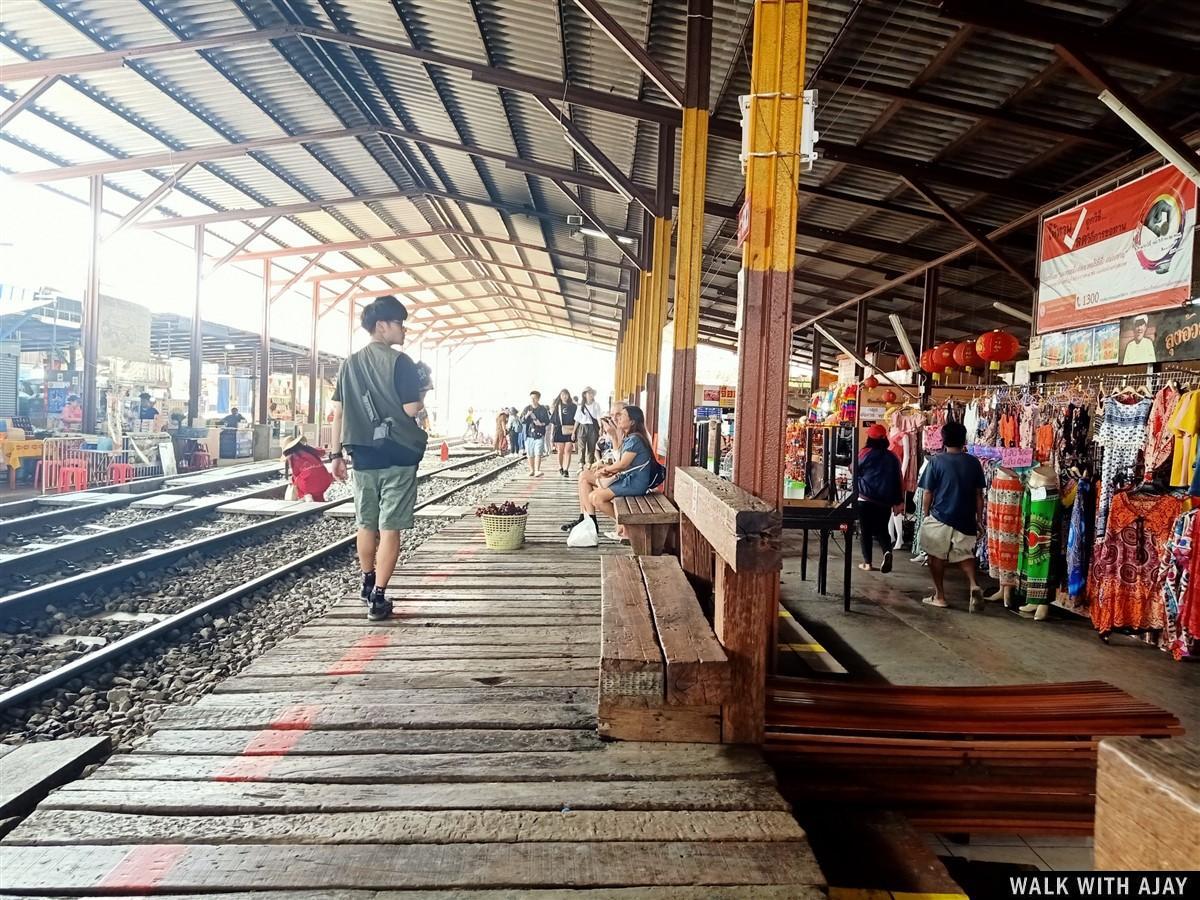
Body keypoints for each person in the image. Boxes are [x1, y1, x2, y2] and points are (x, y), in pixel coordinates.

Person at [329, 296, 430, 622]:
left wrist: (335, 455)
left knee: (365, 522)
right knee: (390, 528)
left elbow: (338, 413)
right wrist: (422, 390)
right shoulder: (401, 363)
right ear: (382, 325)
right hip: (397, 454)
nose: (404, 329)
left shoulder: (349, 364)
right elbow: (411, 410)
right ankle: (379, 597)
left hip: (363, 456)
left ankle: (367, 581)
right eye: (400, 322)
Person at [918, 420, 987, 612]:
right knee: (964, 555)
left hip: (940, 516)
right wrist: (979, 520)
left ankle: (939, 596)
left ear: (943, 439)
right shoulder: (973, 462)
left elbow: (928, 492)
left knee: (935, 557)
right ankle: (973, 584)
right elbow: (978, 495)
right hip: (965, 518)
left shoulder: (936, 461)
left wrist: (925, 515)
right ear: (964, 439)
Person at [566, 405, 655, 542]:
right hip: (628, 479)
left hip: (634, 483)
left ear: (632, 422)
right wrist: (605, 467)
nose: (618, 418)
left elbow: (622, 464)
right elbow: (621, 462)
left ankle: (625, 524)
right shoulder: (630, 437)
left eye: (622, 415)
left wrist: (605, 470)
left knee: (595, 497)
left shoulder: (635, 439)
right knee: (587, 481)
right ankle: (591, 520)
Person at [854, 423, 904, 573]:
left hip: (865, 498)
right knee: (882, 529)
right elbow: (898, 479)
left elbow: (853, 468)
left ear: (870, 438)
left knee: (866, 531)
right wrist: (898, 501)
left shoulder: (864, 453)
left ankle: (867, 563)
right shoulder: (892, 456)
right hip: (884, 501)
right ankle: (887, 551)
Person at [282, 433, 333, 501]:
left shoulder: (292, 456)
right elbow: (322, 452)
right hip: (325, 479)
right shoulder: (309, 450)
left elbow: (295, 474)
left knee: (296, 480)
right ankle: (319, 500)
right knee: (317, 491)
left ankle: (307, 496)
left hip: (308, 484)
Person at [521, 391, 551, 477]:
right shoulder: (527, 408)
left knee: (538, 452)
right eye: (531, 398)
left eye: (534, 398)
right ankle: (532, 470)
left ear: (538, 399)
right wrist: (527, 415)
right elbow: (522, 420)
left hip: (539, 433)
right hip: (529, 434)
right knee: (530, 453)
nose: (533, 400)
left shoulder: (543, 409)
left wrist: (541, 424)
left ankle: (537, 470)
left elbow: (547, 421)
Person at [550, 388, 578, 477]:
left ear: (569, 395)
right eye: (562, 395)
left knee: (568, 450)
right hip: (559, 430)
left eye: (566, 394)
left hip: (570, 430)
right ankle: (560, 467)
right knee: (560, 451)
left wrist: (574, 432)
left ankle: (566, 469)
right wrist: (551, 434)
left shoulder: (573, 406)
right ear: (560, 396)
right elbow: (553, 422)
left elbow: (577, 420)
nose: (564, 396)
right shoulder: (557, 406)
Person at [575, 387, 603, 468]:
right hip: (582, 427)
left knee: (592, 446)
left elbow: (598, 417)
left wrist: (601, 427)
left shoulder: (596, 405)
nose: (591, 395)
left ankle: (589, 464)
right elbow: (577, 420)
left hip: (592, 427)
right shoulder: (580, 406)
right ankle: (581, 464)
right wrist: (573, 432)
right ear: (584, 395)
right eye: (589, 393)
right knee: (581, 447)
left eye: (592, 393)